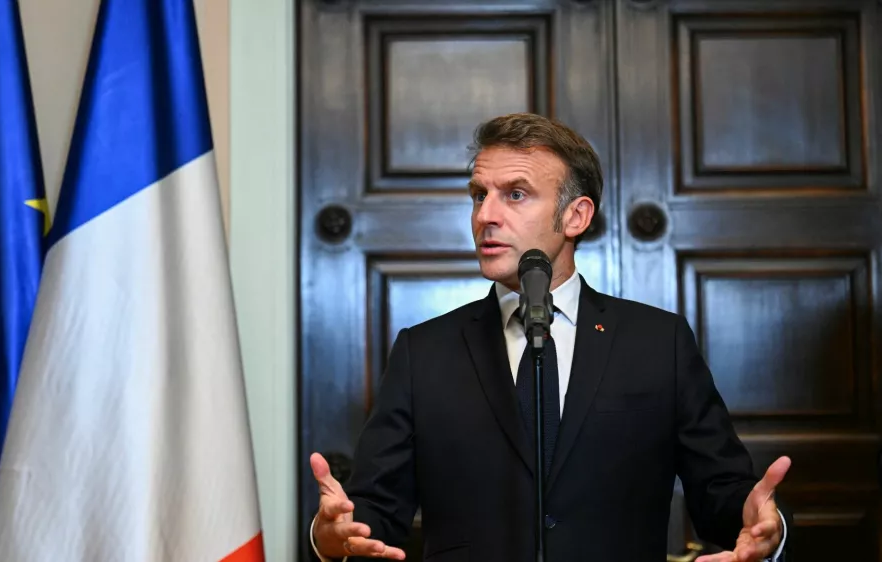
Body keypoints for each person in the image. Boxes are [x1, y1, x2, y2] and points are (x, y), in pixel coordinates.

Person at [308, 113, 791, 561]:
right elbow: (372, 511)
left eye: (515, 194)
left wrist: (764, 528)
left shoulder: (657, 342)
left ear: (575, 216)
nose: (485, 216)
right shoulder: (425, 351)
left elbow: (722, 494)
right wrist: (330, 538)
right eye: (480, 195)